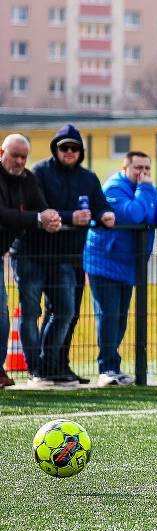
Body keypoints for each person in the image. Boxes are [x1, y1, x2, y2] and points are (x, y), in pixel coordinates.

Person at [12, 124, 114, 387]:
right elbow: (41, 209)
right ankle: (37, 370)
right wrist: (71, 217)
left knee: (65, 311)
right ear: (55, 149)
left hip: (65, 257)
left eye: (74, 148)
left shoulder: (89, 178)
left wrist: (105, 214)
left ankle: (50, 366)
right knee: (31, 312)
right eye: (64, 147)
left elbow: (100, 204)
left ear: (81, 151)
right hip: (32, 253)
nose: (69, 152)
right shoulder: (39, 173)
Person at [83, 151, 157, 386]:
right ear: (125, 167)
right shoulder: (114, 188)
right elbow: (134, 214)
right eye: (138, 168)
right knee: (108, 316)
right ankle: (107, 368)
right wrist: (145, 190)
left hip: (127, 265)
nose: (143, 173)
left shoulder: (146, 189)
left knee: (120, 318)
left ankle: (113, 367)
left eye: (147, 168)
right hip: (104, 262)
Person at [0, 134, 62, 388]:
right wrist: (38, 219)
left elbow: (41, 208)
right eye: (14, 155)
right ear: (1, 152)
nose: (19, 161)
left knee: (1, 313)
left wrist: (52, 218)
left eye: (24, 157)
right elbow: (3, 215)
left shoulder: (27, 179)